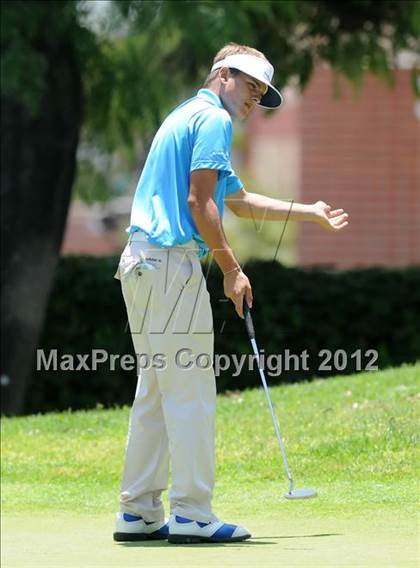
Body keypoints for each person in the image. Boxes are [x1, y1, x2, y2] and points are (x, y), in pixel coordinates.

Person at [113, 43, 349, 545]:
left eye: (261, 92)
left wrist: (309, 211)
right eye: (249, 86)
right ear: (222, 74)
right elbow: (202, 204)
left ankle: (138, 511)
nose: (253, 99)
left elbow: (235, 201)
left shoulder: (189, 116)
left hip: (141, 262)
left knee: (156, 391)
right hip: (170, 264)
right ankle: (194, 513)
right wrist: (231, 268)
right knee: (191, 393)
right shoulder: (214, 121)